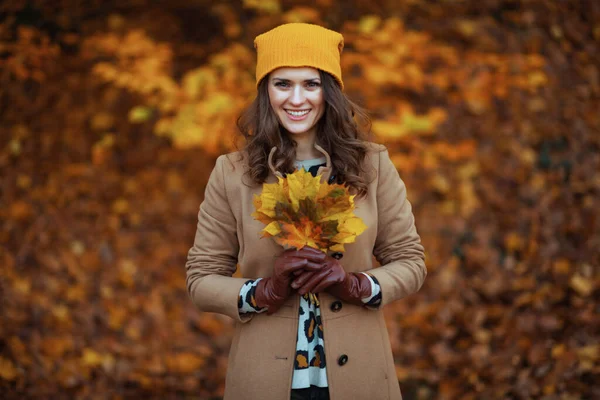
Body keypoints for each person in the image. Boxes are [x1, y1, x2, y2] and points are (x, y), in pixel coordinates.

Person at [185, 23, 426, 400]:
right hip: (263, 380)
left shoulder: (372, 165)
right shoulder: (232, 173)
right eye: (283, 84)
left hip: (361, 379)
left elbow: (410, 262)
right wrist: (261, 291)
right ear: (266, 90)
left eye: (311, 84)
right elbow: (201, 279)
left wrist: (356, 285)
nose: (297, 99)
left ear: (330, 92)